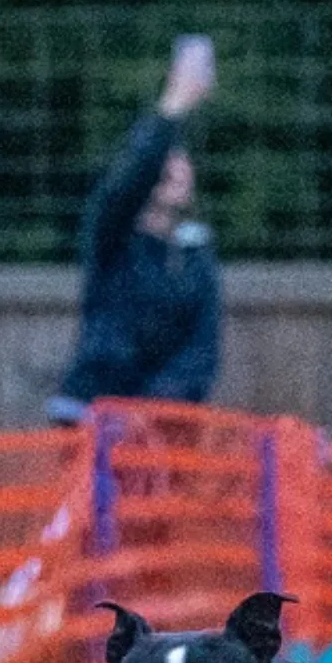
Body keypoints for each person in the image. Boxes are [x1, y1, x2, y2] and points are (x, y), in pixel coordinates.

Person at [49, 38, 221, 422]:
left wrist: (152, 412)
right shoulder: (113, 232)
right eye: (166, 159)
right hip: (91, 419)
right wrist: (174, 104)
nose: (174, 168)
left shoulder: (196, 254)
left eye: (182, 159)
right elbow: (132, 177)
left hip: (164, 433)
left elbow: (202, 354)